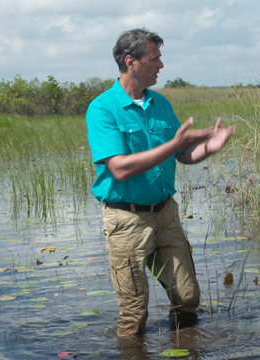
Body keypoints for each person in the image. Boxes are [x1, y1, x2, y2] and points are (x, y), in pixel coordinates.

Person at [85, 28, 235, 336]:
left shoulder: (160, 103)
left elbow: (182, 153)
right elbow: (120, 169)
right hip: (126, 219)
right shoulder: (102, 109)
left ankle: (185, 346)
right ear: (131, 62)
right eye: (154, 59)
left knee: (188, 297)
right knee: (134, 311)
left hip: (165, 213)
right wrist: (173, 145)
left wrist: (209, 148)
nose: (161, 66)